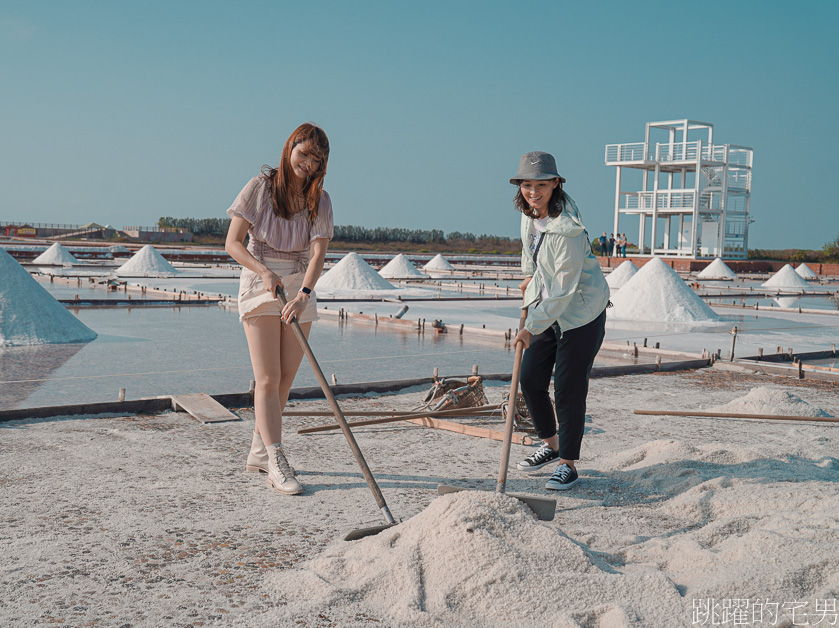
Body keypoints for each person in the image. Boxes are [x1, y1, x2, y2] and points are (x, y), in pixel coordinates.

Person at [225, 122, 333, 496]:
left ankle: (258, 450)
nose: (307, 164)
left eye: (316, 160)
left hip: (299, 286)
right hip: (260, 281)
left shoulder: (320, 199)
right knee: (268, 379)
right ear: (290, 149)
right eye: (303, 154)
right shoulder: (259, 188)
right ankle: (276, 459)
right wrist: (265, 271)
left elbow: (319, 252)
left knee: (286, 379)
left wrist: (304, 292)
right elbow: (233, 243)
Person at [510, 151, 610, 491]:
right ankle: (550, 446)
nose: (533, 192)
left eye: (541, 184)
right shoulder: (529, 213)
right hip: (547, 306)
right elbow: (529, 251)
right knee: (531, 378)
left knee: (567, 387)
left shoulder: (566, 229)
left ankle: (568, 463)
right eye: (527, 184)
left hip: (580, 313)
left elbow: (563, 291)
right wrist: (528, 276)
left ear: (556, 184)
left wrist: (529, 327)